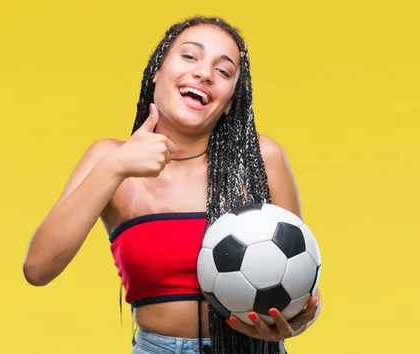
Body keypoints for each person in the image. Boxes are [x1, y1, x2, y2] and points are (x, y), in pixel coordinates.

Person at [23, 15, 322, 354]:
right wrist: (114, 168)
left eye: (223, 71)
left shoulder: (261, 158)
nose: (204, 73)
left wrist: (304, 315)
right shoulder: (109, 159)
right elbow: (38, 268)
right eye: (189, 56)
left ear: (229, 102)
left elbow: (300, 275)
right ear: (157, 71)